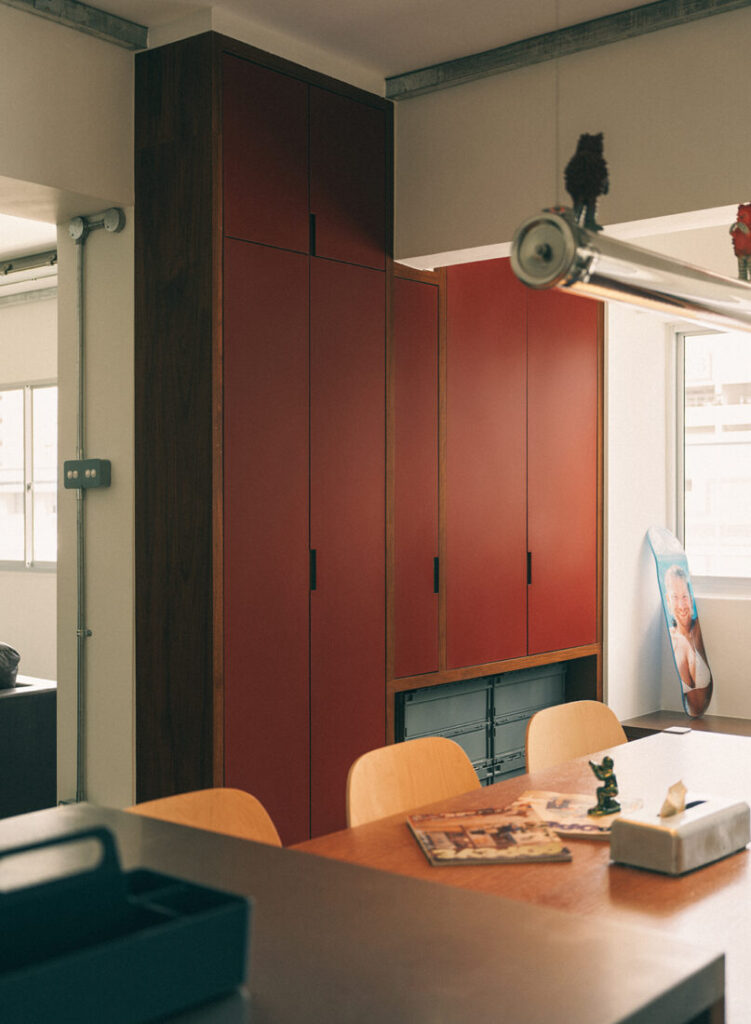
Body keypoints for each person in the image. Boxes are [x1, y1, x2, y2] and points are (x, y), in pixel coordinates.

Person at [663, 565, 712, 717]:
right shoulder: (671, 640)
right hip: (685, 722)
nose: (681, 605)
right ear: (668, 601)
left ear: (691, 598)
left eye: (684, 596)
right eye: (675, 597)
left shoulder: (699, 629)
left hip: (708, 719)